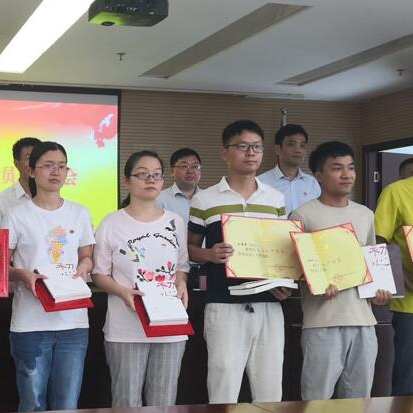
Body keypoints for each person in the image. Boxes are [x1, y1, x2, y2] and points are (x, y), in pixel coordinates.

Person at [188, 120, 291, 404]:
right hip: (224, 303)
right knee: (223, 384)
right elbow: (189, 249)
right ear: (225, 153)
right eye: (243, 146)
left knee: (270, 389)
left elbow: (282, 250)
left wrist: (284, 281)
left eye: (257, 147)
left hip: (269, 303)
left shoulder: (275, 199)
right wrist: (210, 254)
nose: (251, 153)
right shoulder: (205, 200)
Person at [290, 141, 390, 400]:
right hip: (322, 321)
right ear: (319, 175)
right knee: (316, 399)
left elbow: (372, 260)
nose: (347, 175)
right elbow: (294, 269)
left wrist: (380, 291)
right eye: (337, 168)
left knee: (359, 399)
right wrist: (315, 282)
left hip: (364, 321)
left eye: (351, 167)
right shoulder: (302, 215)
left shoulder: (365, 214)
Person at [92, 150, 189, 407]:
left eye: (157, 175)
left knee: (164, 402)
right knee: (126, 402)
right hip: (126, 327)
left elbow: (182, 265)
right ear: (127, 181)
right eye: (143, 174)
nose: (151, 180)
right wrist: (122, 292)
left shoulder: (175, 221)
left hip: (170, 324)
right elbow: (98, 274)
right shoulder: (112, 223)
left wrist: (181, 282)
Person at [5, 141, 95, 411]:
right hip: (30, 323)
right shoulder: (16, 215)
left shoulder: (80, 213)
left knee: (67, 403)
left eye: (62, 166)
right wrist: (22, 274)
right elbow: (0, 266)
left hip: (73, 323)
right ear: (31, 171)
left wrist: (84, 266)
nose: (56, 172)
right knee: (32, 402)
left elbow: (87, 256)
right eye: (48, 165)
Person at [374, 158, 413, 396]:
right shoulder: (396, 191)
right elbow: (379, 242)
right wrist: (404, 280)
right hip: (410, 306)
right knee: (408, 380)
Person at [258, 124, 321, 214]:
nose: (298, 150)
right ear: (277, 149)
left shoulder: (312, 183)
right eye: (291, 144)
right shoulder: (261, 182)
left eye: (302, 146)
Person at [0, 137, 42, 228]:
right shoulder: (1, 201)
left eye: (38, 158)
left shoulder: (52, 198)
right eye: (29, 158)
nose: (34, 163)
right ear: (16, 163)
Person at [157, 147, 202, 223]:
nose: (190, 171)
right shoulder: (159, 200)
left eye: (195, 166)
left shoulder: (208, 198)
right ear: (172, 171)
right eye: (184, 166)